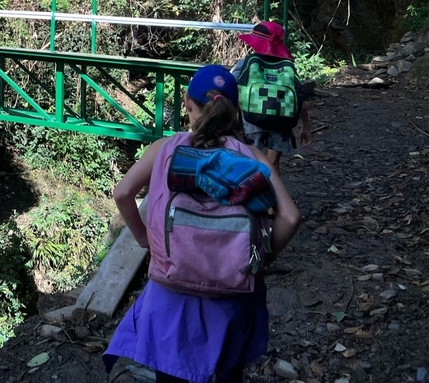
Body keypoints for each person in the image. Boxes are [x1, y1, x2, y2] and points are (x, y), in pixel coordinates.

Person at [104, 64, 301, 383]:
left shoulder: (164, 148)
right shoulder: (252, 157)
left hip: (170, 295)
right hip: (232, 298)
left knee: (171, 374)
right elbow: (291, 217)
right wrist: (258, 259)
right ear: (235, 112)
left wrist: (145, 240)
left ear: (187, 103)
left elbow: (123, 192)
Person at [231, 20, 311, 178]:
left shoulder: (246, 63)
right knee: (273, 164)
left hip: (252, 120)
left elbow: (231, 88)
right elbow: (300, 100)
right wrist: (305, 128)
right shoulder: (287, 67)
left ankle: (253, 196)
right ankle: (275, 199)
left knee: (252, 161)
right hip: (282, 121)